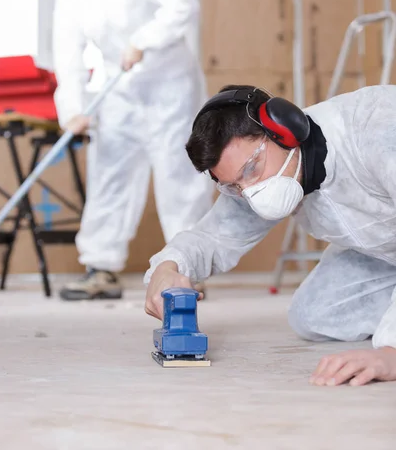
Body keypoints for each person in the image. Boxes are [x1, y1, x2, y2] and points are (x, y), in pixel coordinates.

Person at [144, 84, 396, 386]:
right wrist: (168, 267)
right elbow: (215, 236)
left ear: (284, 128)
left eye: (252, 170)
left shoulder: (374, 124)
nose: (250, 193)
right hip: (384, 252)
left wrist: (391, 352)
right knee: (315, 313)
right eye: (235, 186)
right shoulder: (263, 173)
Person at [31, 0, 213, 301]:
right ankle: (101, 267)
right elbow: (68, 54)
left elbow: (183, 3)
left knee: (179, 177)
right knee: (109, 175)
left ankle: (188, 269)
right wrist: (73, 109)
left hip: (169, 87)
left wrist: (144, 41)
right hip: (120, 91)